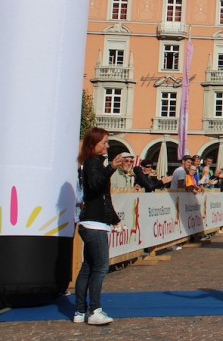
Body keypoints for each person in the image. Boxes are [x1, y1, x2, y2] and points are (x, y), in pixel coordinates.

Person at [74, 127, 122, 325]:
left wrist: (114, 218)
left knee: (88, 267)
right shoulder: (93, 162)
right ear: (93, 144)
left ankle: (79, 311)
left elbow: (102, 196)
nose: (107, 145)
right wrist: (110, 167)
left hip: (93, 221)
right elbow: (94, 187)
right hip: (94, 223)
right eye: (104, 142)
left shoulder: (91, 163)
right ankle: (94, 310)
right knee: (100, 267)